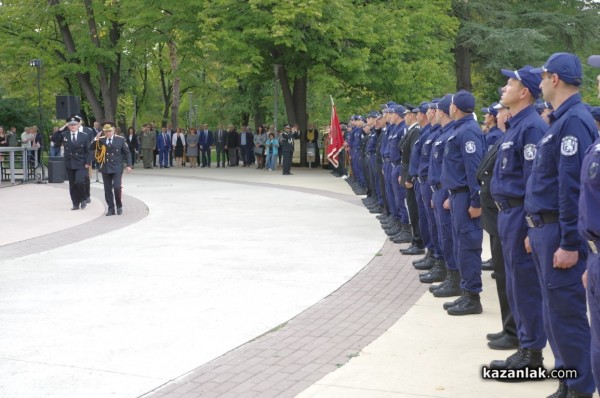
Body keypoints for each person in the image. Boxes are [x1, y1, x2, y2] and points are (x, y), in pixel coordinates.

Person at [526, 52, 596, 397]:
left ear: (554, 79)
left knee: (567, 316)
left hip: (559, 232)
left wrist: (569, 242)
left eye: (541, 77)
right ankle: (568, 382)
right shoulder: (559, 121)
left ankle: (580, 388)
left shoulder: (574, 122)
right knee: (554, 314)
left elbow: (572, 188)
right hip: (546, 229)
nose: (539, 84)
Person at [489, 66, 547, 366]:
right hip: (506, 214)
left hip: (519, 214)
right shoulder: (516, 125)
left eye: (510, 83)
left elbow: (532, 182)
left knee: (524, 284)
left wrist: (528, 226)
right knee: (514, 282)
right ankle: (524, 342)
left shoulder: (531, 127)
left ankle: (532, 351)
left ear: (524, 91)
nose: (504, 88)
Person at [476, 101, 519, 350]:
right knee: (504, 277)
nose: (496, 115)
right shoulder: (503, 136)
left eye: (501, 110)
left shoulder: (517, 133)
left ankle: (517, 333)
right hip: (499, 213)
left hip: (510, 214)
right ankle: (509, 327)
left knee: (512, 278)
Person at [442, 90, 484, 316]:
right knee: (461, 244)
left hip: (467, 196)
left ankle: (472, 296)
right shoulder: (460, 129)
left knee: (468, 245)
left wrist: (475, 200)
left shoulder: (468, 131)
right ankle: (466, 291)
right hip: (458, 194)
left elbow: (474, 169)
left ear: (455, 108)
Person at [91, 122, 132, 216]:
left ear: (114, 130)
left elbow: (127, 153)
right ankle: (111, 208)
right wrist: (95, 139)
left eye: (109, 131)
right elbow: (91, 148)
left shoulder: (120, 140)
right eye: (106, 132)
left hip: (117, 166)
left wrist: (129, 165)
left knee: (117, 187)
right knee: (107, 189)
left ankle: (119, 205)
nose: (108, 133)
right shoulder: (101, 140)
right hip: (105, 167)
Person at [60, 115, 91, 210]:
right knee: (72, 184)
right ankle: (75, 203)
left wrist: (88, 162)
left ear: (78, 125)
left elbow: (88, 151)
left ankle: (83, 198)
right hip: (70, 163)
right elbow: (54, 139)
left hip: (81, 163)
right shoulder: (64, 135)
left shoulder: (84, 136)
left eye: (75, 125)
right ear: (68, 126)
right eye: (71, 125)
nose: (73, 126)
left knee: (80, 181)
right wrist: (62, 128)